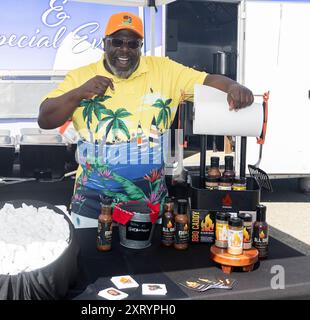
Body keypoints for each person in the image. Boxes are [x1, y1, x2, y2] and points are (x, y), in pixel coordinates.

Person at [39, 12, 254, 228]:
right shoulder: (80, 76)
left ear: (140, 46)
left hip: (149, 205)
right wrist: (79, 93)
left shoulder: (164, 70)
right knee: (89, 260)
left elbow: (207, 80)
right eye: (117, 42)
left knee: (146, 261)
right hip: (91, 204)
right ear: (105, 43)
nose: (124, 49)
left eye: (132, 44)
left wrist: (233, 87)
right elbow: (45, 118)